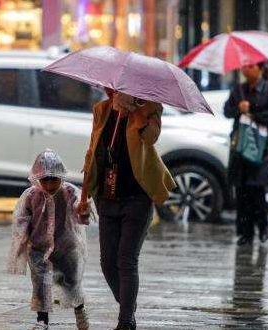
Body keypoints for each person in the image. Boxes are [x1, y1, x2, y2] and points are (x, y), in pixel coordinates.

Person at [80, 89, 176, 330]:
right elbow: (92, 152)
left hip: (137, 198)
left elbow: (151, 138)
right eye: (109, 87)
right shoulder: (101, 110)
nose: (110, 90)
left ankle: (125, 321)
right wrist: (84, 197)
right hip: (107, 197)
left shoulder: (150, 107)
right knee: (107, 262)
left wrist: (136, 112)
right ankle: (128, 308)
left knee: (126, 259)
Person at [7, 149, 97, 330]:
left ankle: (79, 309)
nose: (49, 185)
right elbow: (21, 220)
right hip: (39, 249)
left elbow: (83, 217)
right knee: (40, 283)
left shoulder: (71, 193)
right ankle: (42, 321)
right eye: (44, 179)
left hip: (67, 248)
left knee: (71, 283)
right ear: (37, 178)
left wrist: (83, 210)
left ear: (61, 177)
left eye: (53, 179)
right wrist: (21, 242)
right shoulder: (31, 196)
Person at [224, 62, 268, 246]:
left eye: (251, 66)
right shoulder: (238, 90)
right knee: (241, 189)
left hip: (262, 147)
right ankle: (244, 233)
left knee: (256, 188)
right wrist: (238, 109)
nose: (247, 69)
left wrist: (252, 112)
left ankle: (262, 227)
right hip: (241, 146)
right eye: (244, 66)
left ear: (261, 68)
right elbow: (227, 111)